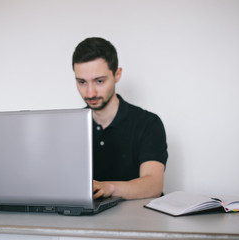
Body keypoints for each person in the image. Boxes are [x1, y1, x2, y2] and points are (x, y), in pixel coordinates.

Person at [72, 37, 168, 200]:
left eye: (99, 81)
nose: (90, 93)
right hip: (86, 222)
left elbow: (153, 185)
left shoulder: (148, 123)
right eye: (82, 82)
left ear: (117, 74)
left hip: (137, 221)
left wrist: (108, 187)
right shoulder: (70, 126)